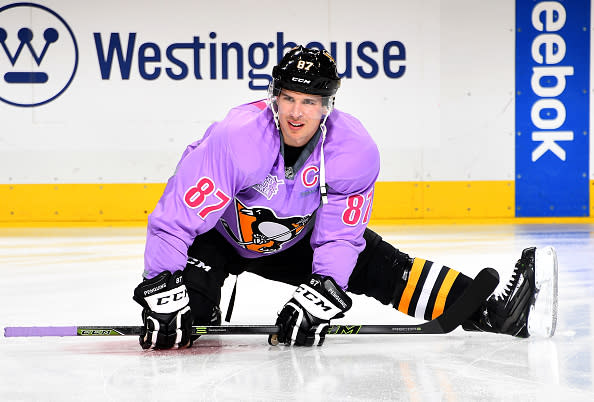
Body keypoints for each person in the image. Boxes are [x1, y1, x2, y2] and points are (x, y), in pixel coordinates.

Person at [132, 46, 558, 349]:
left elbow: (340, 235)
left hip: (292, 237)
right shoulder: (235, 138)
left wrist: (323, 290)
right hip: (215, 239)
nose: (297, 113)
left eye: (310, 102)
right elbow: (176, 219)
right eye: (288, 99)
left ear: (327, 105)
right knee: (184, 333)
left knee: (382, 267)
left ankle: (489, 312)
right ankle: (195, 308)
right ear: (274, 99)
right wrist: (159, 287)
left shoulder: (353, 150)